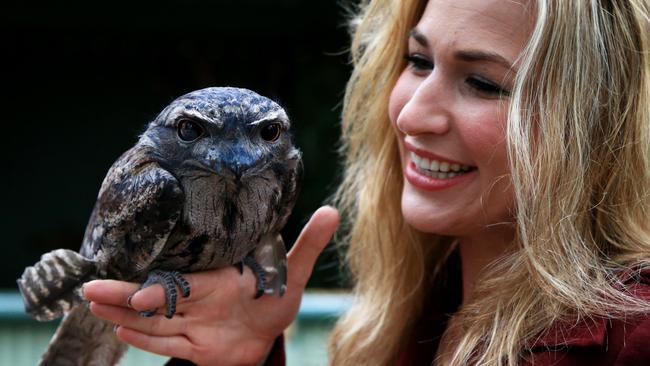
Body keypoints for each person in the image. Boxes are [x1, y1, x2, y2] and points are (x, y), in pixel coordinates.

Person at [83, 0, 650, 364]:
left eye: (482, 82)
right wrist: (246, 359)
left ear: (593, 122)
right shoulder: (415, 307)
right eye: (418, 61)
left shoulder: (632, 338)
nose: (408, 115)